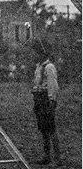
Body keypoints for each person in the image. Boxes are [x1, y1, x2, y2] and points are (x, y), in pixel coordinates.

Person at [29, 38, 61, 166]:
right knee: (43, 129)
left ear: (43, 53)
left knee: (51, 129)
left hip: (47, 100)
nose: (35, 55)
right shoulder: (38, 67)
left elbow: (53, 86)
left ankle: (57, 159)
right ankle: (46, 156)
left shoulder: (49, 67)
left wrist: (52, 101)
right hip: (39, 99)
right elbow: (37, 83)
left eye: (37, 53)